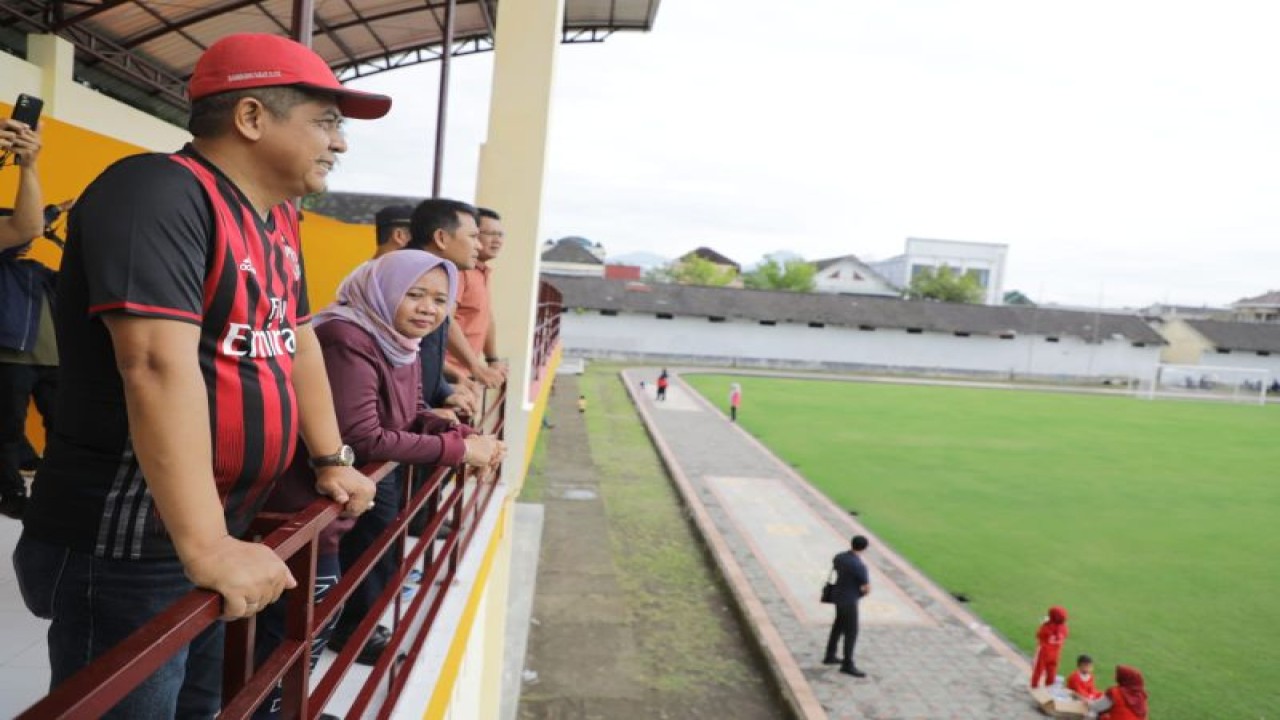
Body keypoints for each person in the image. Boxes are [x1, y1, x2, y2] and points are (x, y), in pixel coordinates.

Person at [13, 33, 386, 717]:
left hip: (219, 530)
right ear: (250, 117)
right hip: (133, 539)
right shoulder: (157, 192)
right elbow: (153, 363)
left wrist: (330, 458)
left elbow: (294, 339)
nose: (340, 143)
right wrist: (207, 543)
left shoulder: (278, 219)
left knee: (204, 703)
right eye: (326, 121)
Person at [253, 251, 503, 713]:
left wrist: (463, 434)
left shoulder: (395, 340)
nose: (428, 308)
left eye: (440, 299)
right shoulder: (347, 337)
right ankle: (276, 711)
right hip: (303, 508)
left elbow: (404, 416)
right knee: (296, 631)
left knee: (312, 624)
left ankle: (287, 709)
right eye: (415, 294)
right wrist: (459, 451)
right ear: (383, 291)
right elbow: (362, 435)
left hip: (332, 508)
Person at [0, 115, 48, 519]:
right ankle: (11, 493)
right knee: (7, 428)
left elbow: (29, 224)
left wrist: (28, 165)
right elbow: (27, 224)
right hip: (13, 353)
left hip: (47, 356)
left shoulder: (38, 271)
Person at [444, 206, 506, 389]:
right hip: (448, 374)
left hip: (467, 374)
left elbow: (487, 317)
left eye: (501, 235)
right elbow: (445, 320)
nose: (497, 241)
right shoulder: (461, 270)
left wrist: (492, 359)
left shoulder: (481, 272)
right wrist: (476, 366)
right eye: (490, 234)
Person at [823, 534, 870, 677]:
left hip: (837, 595)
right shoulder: (859, 565)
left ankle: (830, 654)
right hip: (849, 600)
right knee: (851, 632)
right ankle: (847, 663)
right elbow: (866, 588)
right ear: (864, 548)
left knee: (838, 626)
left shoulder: (840, 557)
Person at [1031, 605, 1070, 688]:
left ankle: (1034, 685)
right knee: (1052, 671)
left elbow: (1039, 635)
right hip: (1055, 654)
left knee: (1038, 670)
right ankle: (1049, 687)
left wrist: (1044, 624)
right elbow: (1065, 634)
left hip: (1044, 652)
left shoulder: (1047, 627)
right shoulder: (1064, 629)